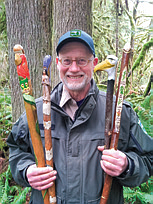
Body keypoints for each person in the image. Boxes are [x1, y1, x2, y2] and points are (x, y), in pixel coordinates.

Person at [7, 29, 153, 204]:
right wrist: (26, 170)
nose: (74, 68)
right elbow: (16, 151)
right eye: (67, 61)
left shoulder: (119, 112)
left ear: (94, 63)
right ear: (58, 64)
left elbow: (148, 159)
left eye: (82, 60)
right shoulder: (35, 111)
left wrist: (128, 166)